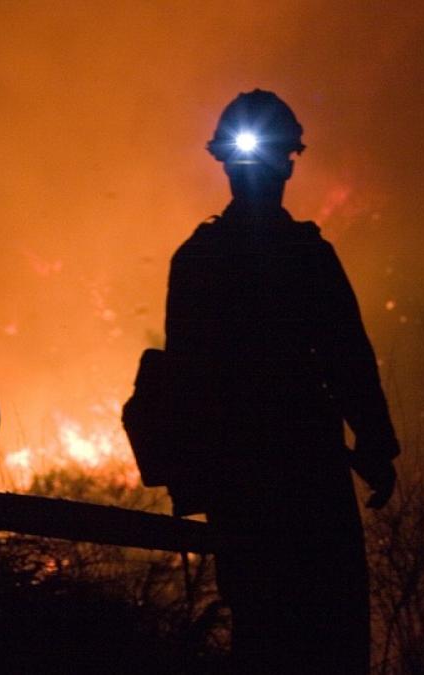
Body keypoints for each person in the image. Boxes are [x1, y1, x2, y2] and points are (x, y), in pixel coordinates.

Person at [162, 90, 399, 673]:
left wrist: (195, 479)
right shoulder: (300, 255)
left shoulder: (204, 258)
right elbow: (349, 357)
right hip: (295, 467)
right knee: (324, 624)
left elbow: (347, 355)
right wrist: (374, 445)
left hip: (251, 475)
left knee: (268, 629)